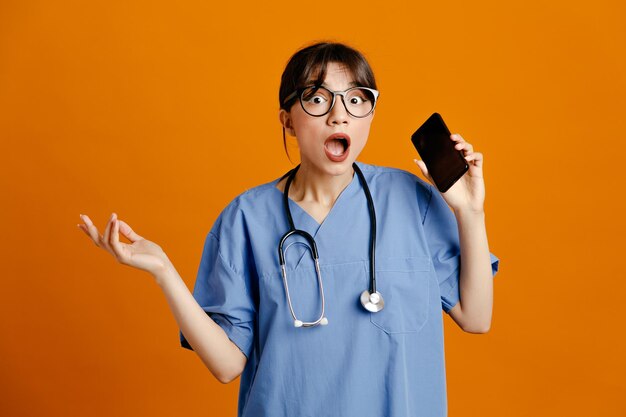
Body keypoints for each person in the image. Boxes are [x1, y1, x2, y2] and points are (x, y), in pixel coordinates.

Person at [77, 41, 500, 417]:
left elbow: (477, 317)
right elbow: (227, 365)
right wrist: (164, 271)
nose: (340, 115)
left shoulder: (413, 200)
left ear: (371, 112)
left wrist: (470, 212)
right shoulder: (246, 218)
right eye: (318, 99)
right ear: (288, 119)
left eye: (357, 99)